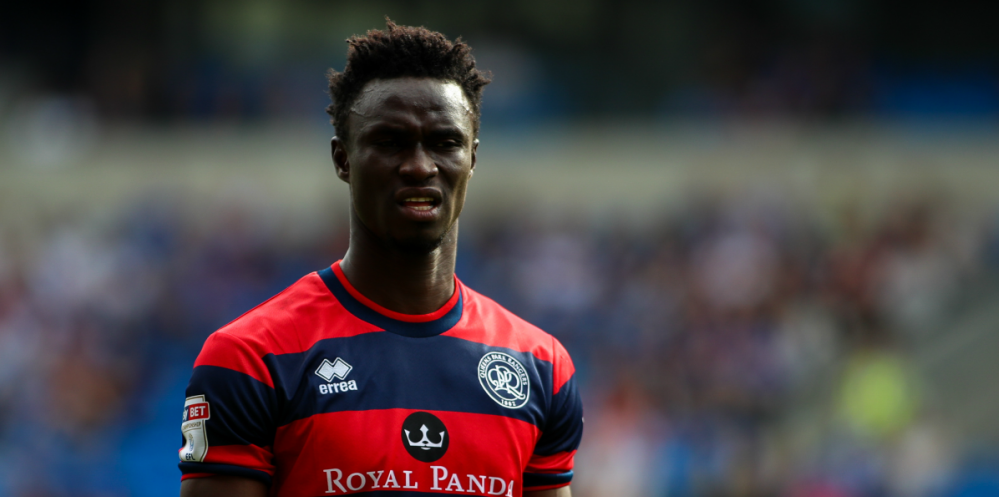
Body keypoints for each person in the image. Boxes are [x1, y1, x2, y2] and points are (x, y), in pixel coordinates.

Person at [178, 21, 583, 497]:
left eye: (445, 143)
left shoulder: (540, 365)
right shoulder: (252, 357)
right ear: (342, 160)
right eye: (390, 142)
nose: (419, 166)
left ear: (472, 159)